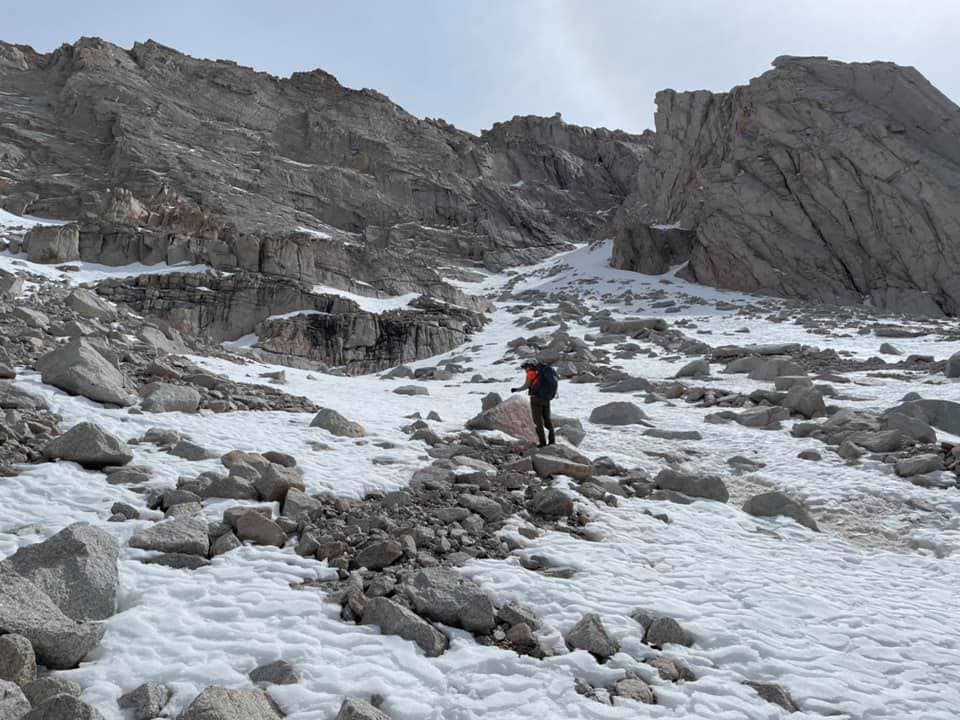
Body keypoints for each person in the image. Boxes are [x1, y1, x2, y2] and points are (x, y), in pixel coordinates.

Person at [511, 361, 557, 447]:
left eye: (525, 368)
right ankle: (552, 441)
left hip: (536, 399)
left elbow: (526, 386)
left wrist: (516, 389)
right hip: (546, 398)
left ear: (528, 367)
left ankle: (542, 443)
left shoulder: (531, 373)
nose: (525, 370)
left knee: (538, 422)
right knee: (547, 419)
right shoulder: (541, 372)